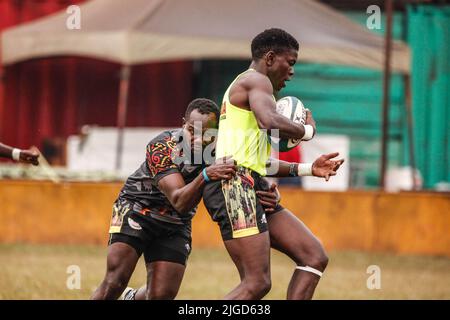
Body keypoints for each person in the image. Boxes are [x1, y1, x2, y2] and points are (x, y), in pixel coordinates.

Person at [202, 28, 344, 300]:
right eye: (290, 63)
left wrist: (307, 169)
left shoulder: (252, 88)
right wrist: (307, 131)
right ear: (269, 58)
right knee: (257, 284)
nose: (291, 72)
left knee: (313, 256)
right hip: (233, 185)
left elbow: (260, 162)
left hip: (249, 182)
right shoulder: (256, 81)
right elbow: (269, 120)